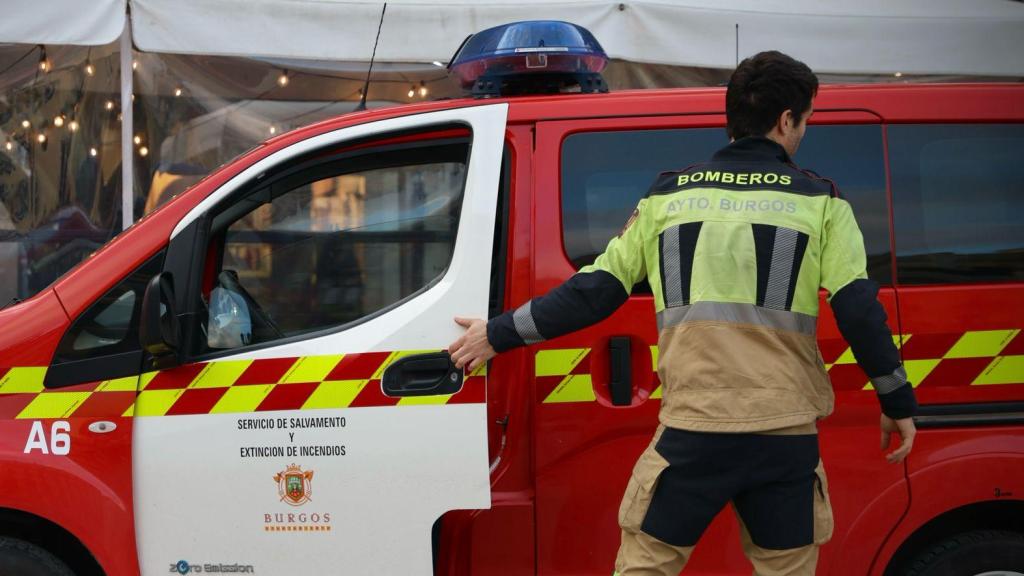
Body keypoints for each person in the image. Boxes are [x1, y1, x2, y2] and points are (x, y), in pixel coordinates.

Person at [448, 51, 917, 575]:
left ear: (732, 116)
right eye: (805, 120)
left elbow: (594, 292)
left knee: (646, 567)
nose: (803, 131)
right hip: (784, 437)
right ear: (786, 120)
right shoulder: (822, 201)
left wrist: (498, 333)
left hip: (693, 433)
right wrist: (896, 398)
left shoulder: (668, 198)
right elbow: (857, 309)